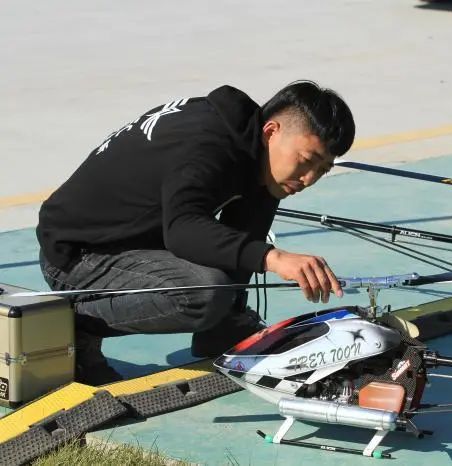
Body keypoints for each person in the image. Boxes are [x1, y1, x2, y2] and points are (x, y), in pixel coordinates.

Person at [36, 81, 355, 385]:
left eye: (322, 170)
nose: (309, 179)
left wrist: (231, 309)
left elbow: (229, 225)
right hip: (76, 253)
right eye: (306, 160)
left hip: (129, 239)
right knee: (204, 293)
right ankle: (74, 329)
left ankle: (222, 325)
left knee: (262, 193)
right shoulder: (207, 144)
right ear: (271, 131)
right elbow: (182, 229)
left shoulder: (248, 140)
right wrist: (272, 257)